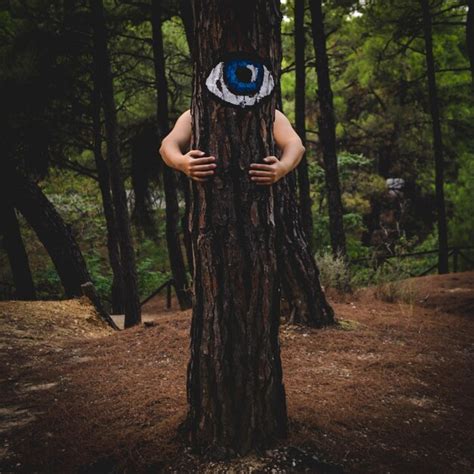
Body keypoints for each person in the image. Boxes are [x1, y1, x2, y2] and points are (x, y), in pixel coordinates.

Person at [159, 109, 305, 185]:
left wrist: (283, 167)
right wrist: (181, 162)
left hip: (266, 207)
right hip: (209, 210)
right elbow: (167, 145)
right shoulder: (195, 114)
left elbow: (295, 144)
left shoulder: (268, 113)